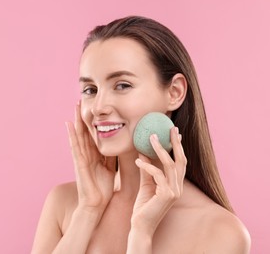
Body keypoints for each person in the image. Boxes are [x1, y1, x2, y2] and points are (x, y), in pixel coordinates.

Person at [31, 16, 251, 253]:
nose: (98, 107)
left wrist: (141, 234)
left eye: (122, 85)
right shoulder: (64, 204)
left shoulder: (220, 232)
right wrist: (88, 210)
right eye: (90, 90)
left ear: (175, 92)